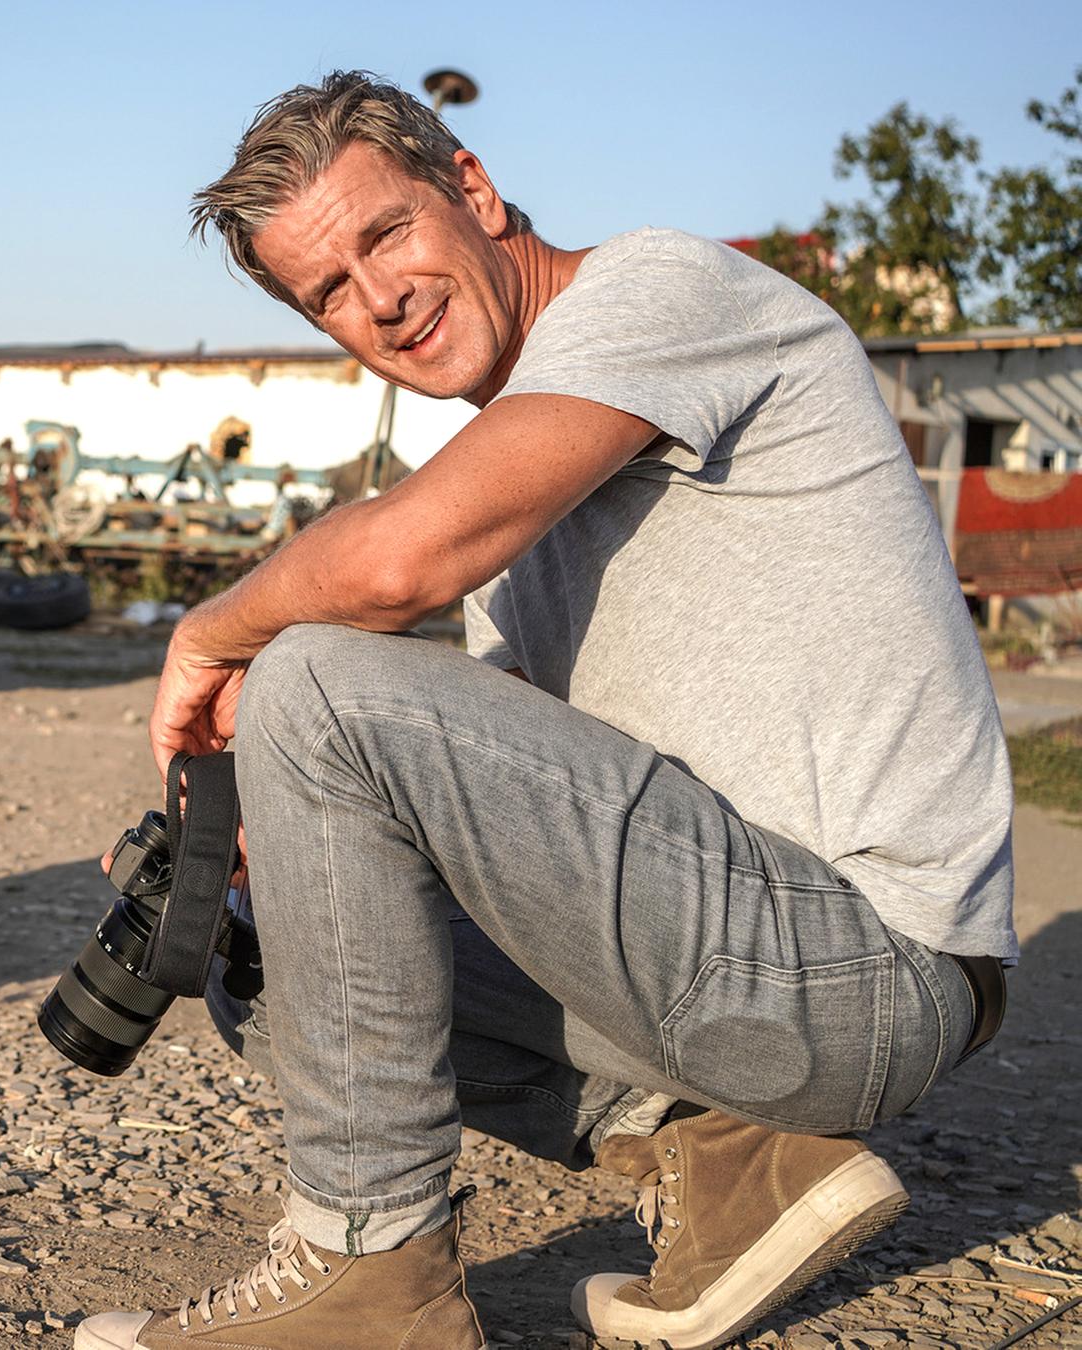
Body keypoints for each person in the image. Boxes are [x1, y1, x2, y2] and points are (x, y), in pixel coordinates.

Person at [75, 72, 1013, 1350]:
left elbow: (395, 564)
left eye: (387, 234)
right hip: (738, 956)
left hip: (867, 969)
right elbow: (509, 814)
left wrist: (208, 635)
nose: (379, 298)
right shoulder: (519, 518)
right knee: (263, 953)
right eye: (330, 291)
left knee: (310, 672)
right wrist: (294, 846)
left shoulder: (664, 289)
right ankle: (736, 1163)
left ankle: (369, 1277)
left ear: (472, 189)